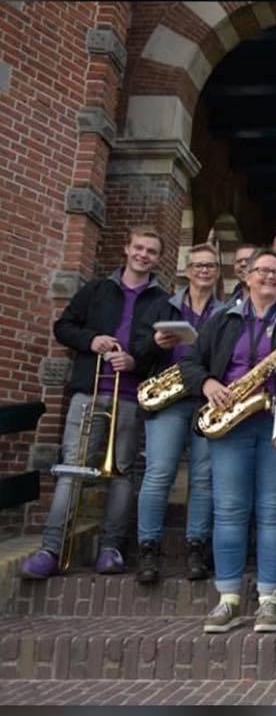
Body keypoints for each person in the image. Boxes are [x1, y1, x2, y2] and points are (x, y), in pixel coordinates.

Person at [180, 248, 276, 633]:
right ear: (247, 277)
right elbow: (190, 364)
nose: (270, 278)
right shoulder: (223, 320)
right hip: (231, 424)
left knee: (274, 513)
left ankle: (269, 599)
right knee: (229, 511)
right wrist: (208, 383)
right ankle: (228, 599)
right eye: (263, 271)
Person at [22, 226, 167, 579]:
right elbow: (63, 327)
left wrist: (136, 362)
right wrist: (91, 341)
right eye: (138, 248)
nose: (143, 255)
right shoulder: (97, 290)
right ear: (126, 248)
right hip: (89, 392)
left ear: (158, 258)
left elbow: (163, 352)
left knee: (121, 473)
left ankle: (111, 548)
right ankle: (51, 548)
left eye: (150, 251)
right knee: (72, 470)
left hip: (130, 397)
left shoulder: (163, 301)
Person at [132, 242, 224, 583]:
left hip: (205, 402)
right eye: (198, 265)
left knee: (203, 479)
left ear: (217, 273)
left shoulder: (226, 312)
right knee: (159, 474)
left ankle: (196, 546)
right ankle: (148, 548)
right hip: (168, 400)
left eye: (210, 266)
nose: (204, 271)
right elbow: (137, 350)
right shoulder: (161, 306)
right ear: (186, 270)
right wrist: (156, 344)